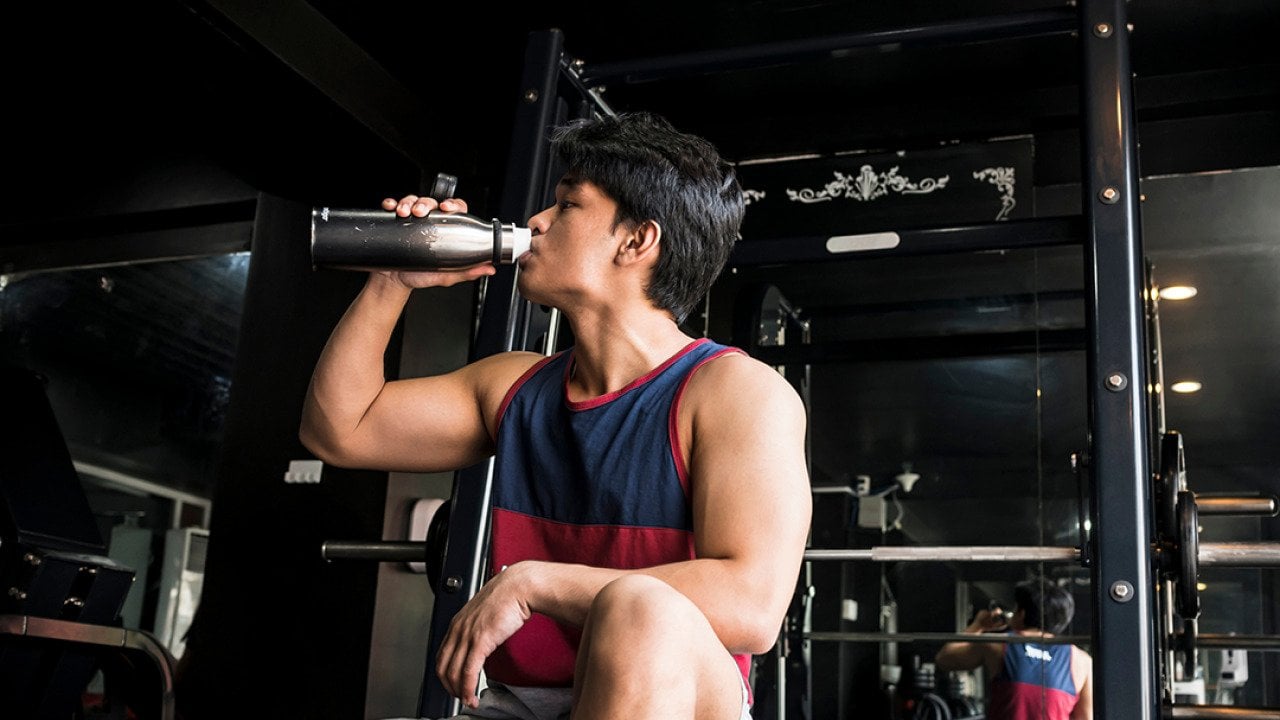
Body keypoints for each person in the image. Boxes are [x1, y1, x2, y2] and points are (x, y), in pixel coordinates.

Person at [299, 111, 812, 720]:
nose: (538, 221)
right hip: (523, 704)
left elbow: (753, 608)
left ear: (636, 241)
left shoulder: (735, 392)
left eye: (567, 205)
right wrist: (392, 279)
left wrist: (533, 583)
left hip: (680, 695)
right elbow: (339, 430)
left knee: (641, 610)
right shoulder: (514, 387)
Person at [934, 579, 1093, 720]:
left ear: (1021, 614)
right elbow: (1086, 717)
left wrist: (978, 625)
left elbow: (944, 659)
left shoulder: (998, 643)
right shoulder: (1082, 661)